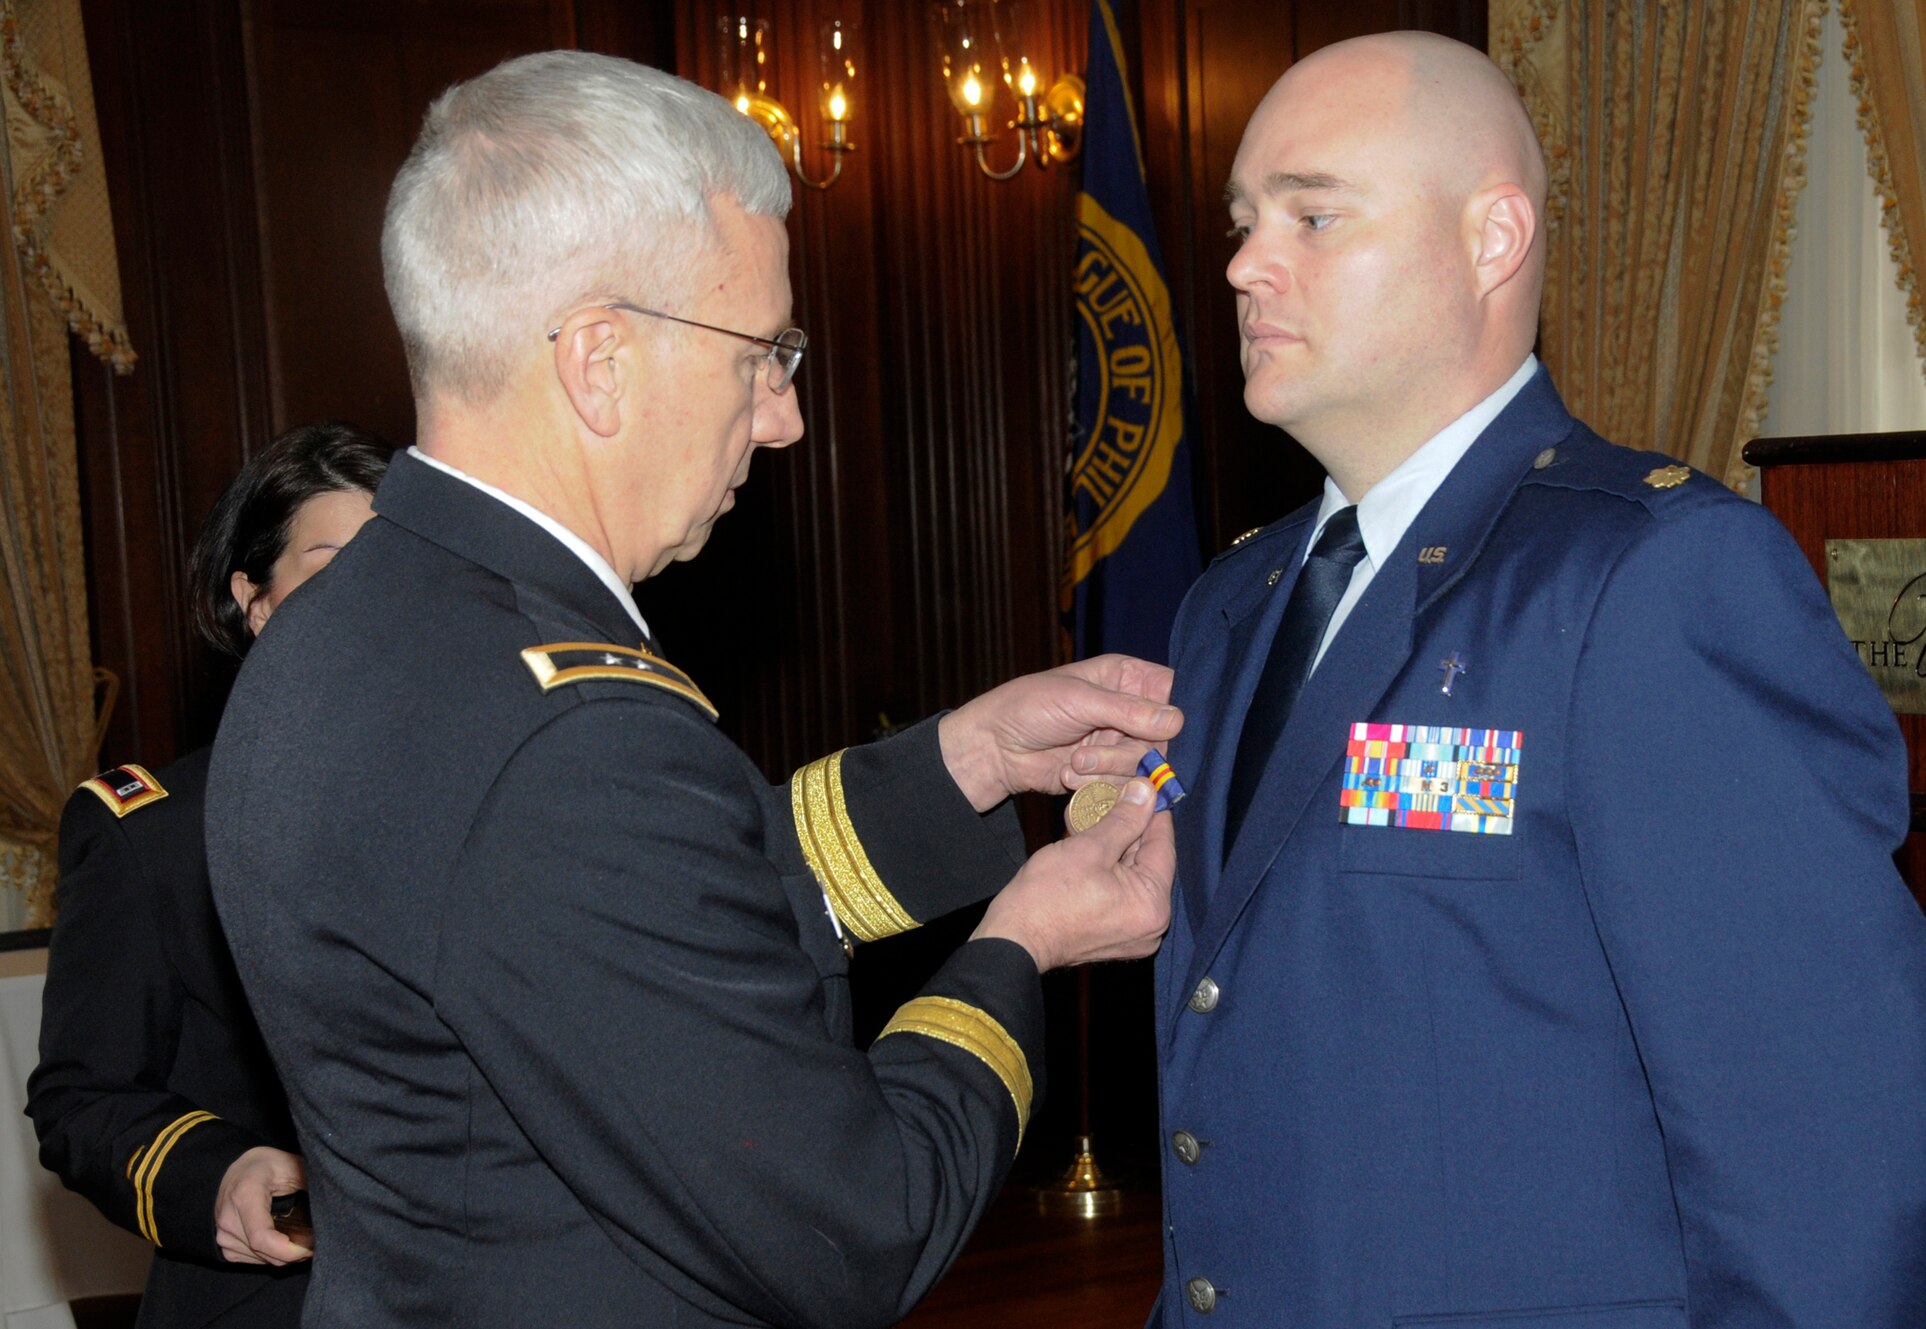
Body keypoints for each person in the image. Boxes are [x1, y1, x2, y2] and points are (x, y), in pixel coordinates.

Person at [203, 51, 1179, 1329]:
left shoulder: (351, 628)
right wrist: (1019, 944)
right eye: (762, 354)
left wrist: (969, 758)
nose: (782, 421)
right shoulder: (568, 735)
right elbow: (855, 1227)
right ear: (598, 361)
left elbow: (641, 920)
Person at [1152, 31, 1926, 1328]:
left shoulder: (1652, 584)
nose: (1247, 264)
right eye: (1246, 222)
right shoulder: (1228, 605)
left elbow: (1836, 1153)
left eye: (1313, 216)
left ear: (1493, 239)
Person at [29, 422, 393, 1328]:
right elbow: (83, 1099)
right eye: (332, 563)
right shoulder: (157, 834)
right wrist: (220, 1171)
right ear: (255, 601)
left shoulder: (497, 799)